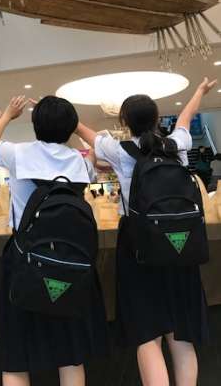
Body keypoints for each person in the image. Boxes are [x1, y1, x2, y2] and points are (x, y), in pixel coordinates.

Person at [76, 77, 217, 386]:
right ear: (156, 118)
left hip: (137, 246)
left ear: (124, 122)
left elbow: (86, 133)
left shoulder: (121, 150)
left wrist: (64, 115)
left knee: (147, 334)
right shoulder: (177, 144)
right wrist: (199, 91)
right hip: (181, 246)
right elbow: (186, 117)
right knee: (181, 334)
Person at [0, 95, 108, 386]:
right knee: (70, 354)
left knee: (17, 353)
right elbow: (96, 151)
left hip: (24, 259)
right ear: (70, 127)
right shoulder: (80, 164)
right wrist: (71, 123)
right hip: (71, 262)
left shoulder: (18, 154)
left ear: (34, 124)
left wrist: (8, 114)